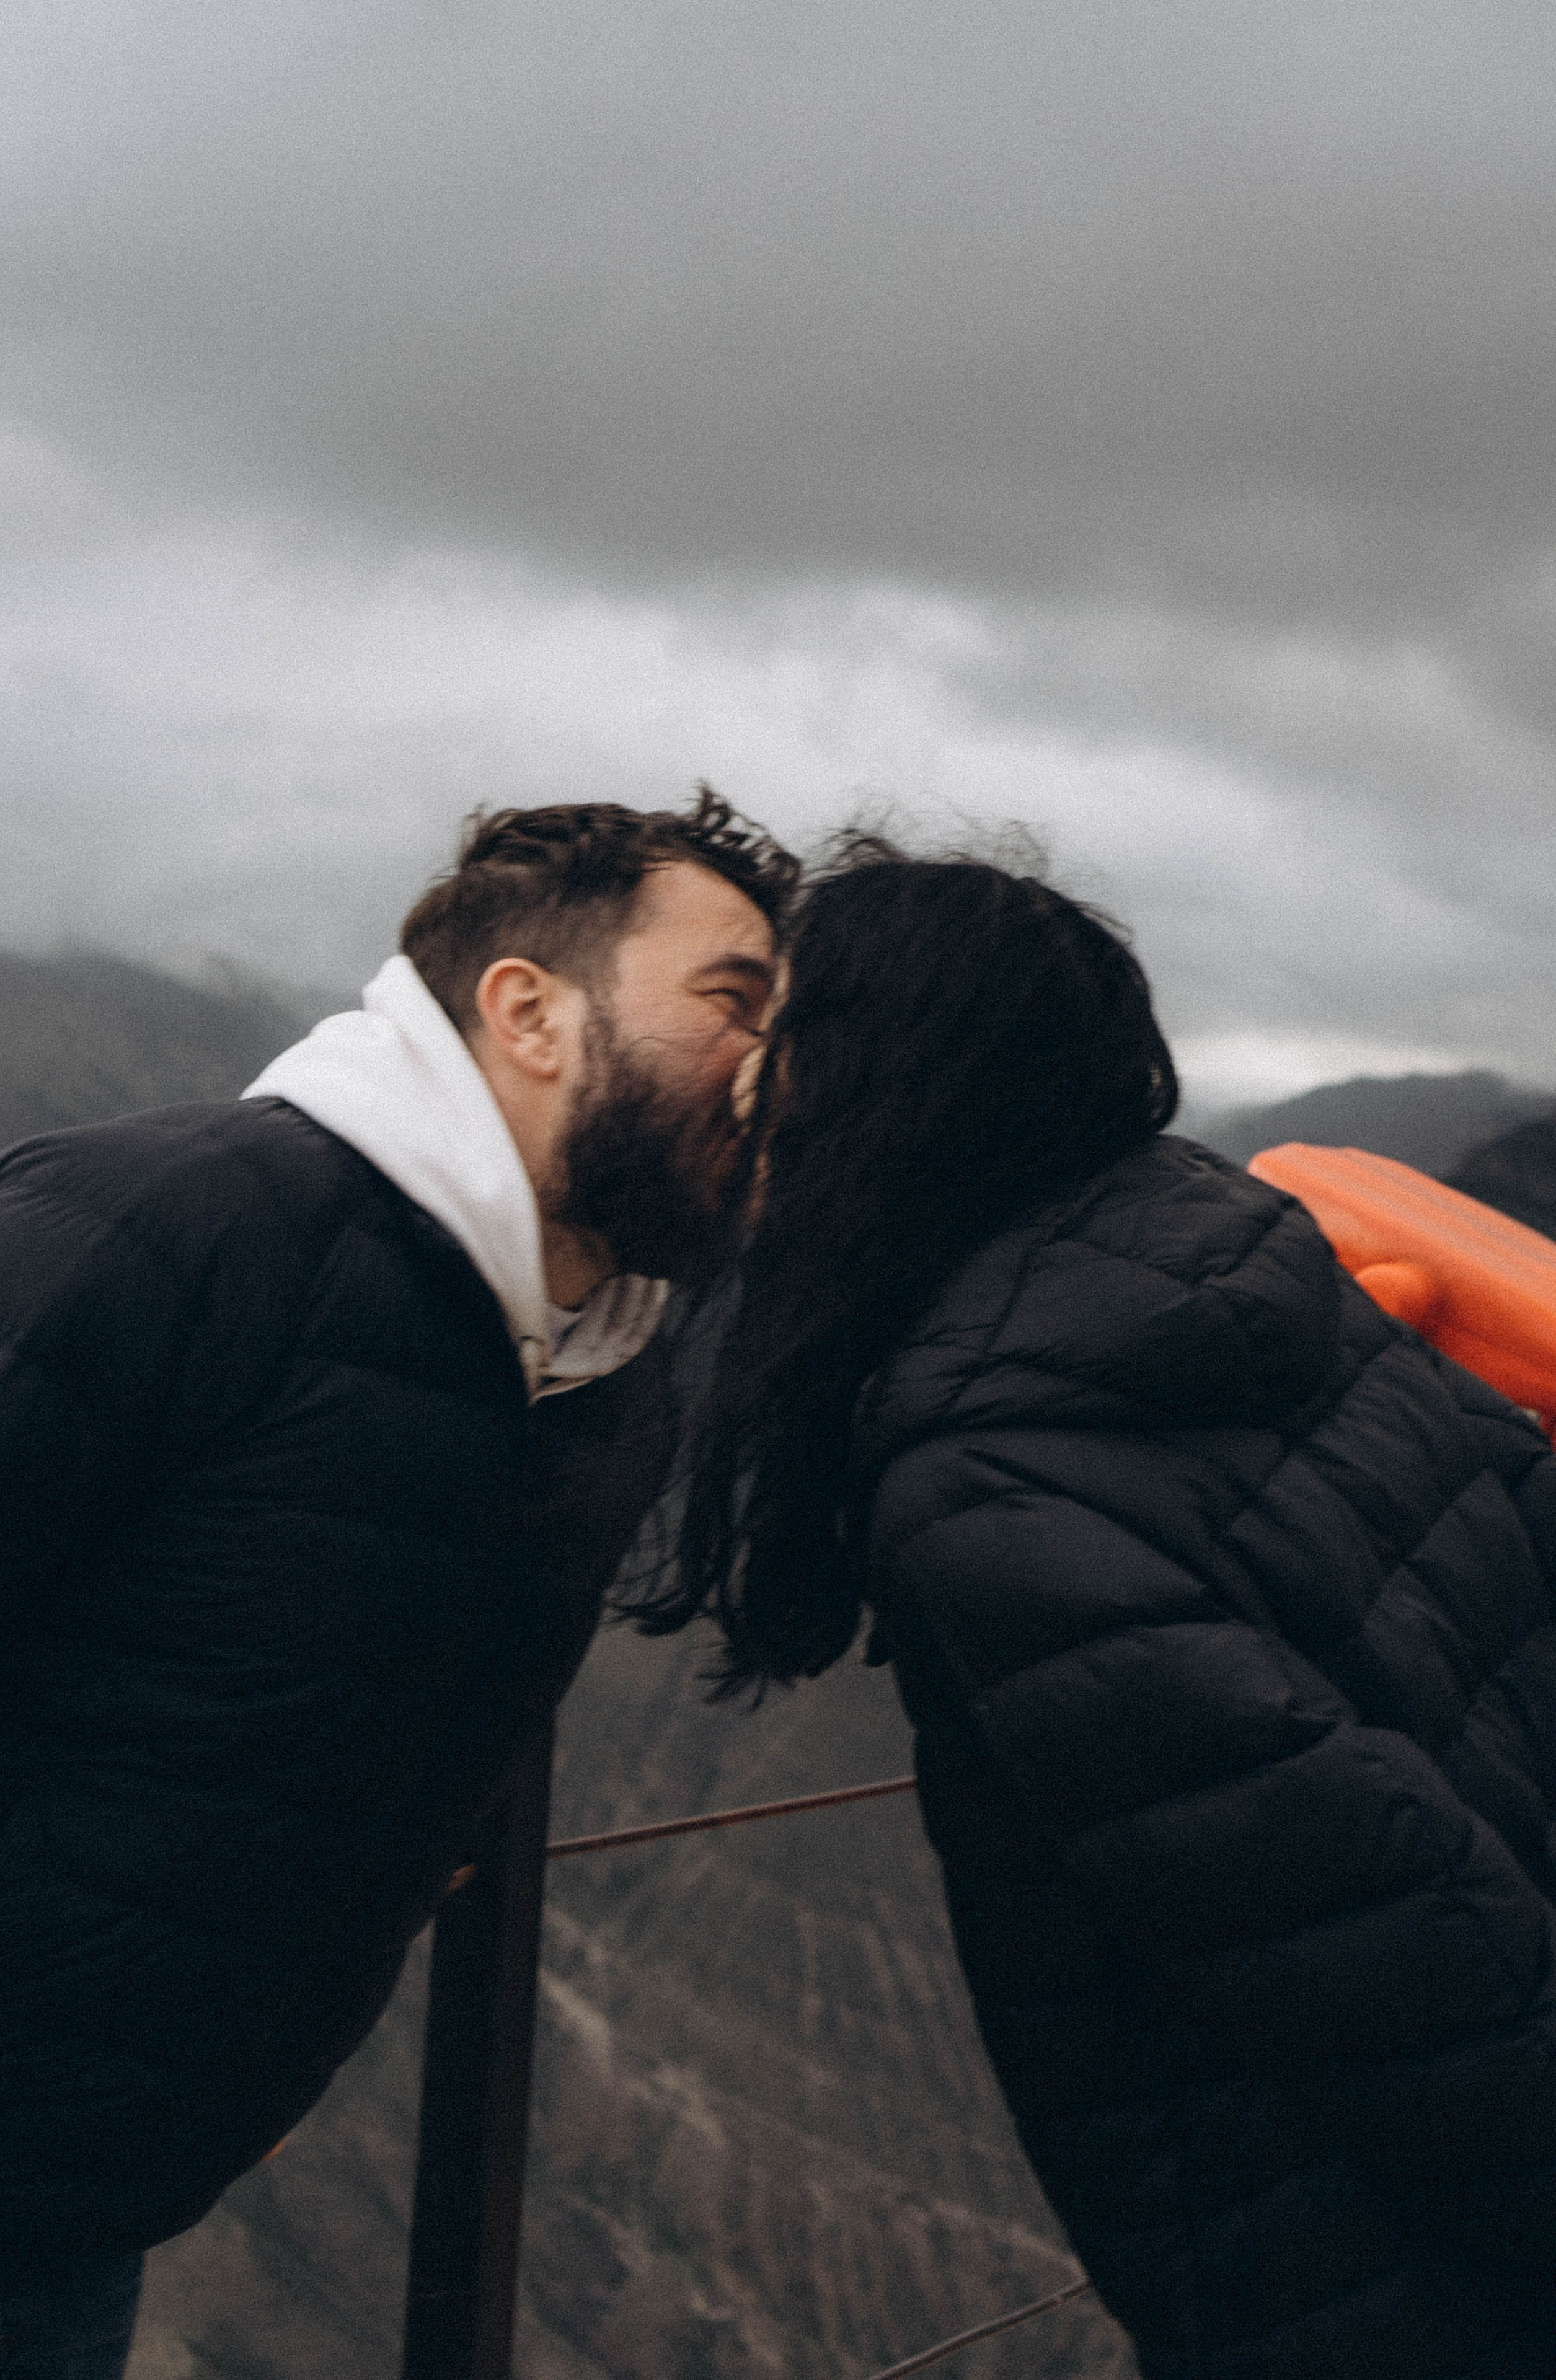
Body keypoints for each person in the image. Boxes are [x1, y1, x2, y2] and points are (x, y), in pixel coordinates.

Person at [647, 835, 1556, 2380]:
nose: (742, 1094)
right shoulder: (1255, 1274)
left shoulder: (991, 1489)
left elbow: (1391, 1958)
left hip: (1364, 2263)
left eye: (779, 1043)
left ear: (880, 1085)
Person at [0, 791, 795, 2380]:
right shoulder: (163, 1225)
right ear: (527, 1013)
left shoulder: (598, 1363)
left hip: (95, 2199)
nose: (773, 1073)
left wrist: (243, 2067)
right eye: (732, 1003)